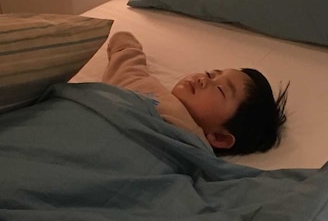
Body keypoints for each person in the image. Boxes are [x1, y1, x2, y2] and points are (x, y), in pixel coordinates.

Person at [102, 31, 288, 155]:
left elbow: (126, 55)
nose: (203, 79)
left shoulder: (194, 152)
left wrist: (125, 39)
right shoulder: (146, 90)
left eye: (220, 89)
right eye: (210, 74)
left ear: (219, 137)